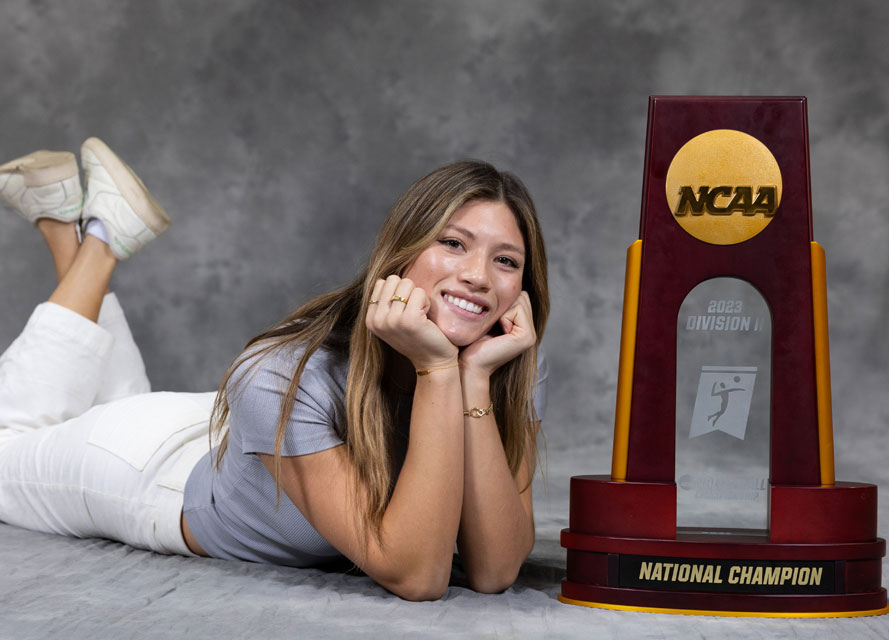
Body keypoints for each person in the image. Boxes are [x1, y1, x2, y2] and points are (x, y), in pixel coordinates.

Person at [0, 140, 549, 601]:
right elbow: (418, 574)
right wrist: (436, 370)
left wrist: (472, 379)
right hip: (147, 471)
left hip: (251, 441)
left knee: (92, 396)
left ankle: (60, 221)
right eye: (453, 244)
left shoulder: (500, 360)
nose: (479, 276)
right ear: (400, 254)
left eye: (506, 260)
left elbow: (494, 569)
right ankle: (97, 243)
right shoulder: (281, 373)